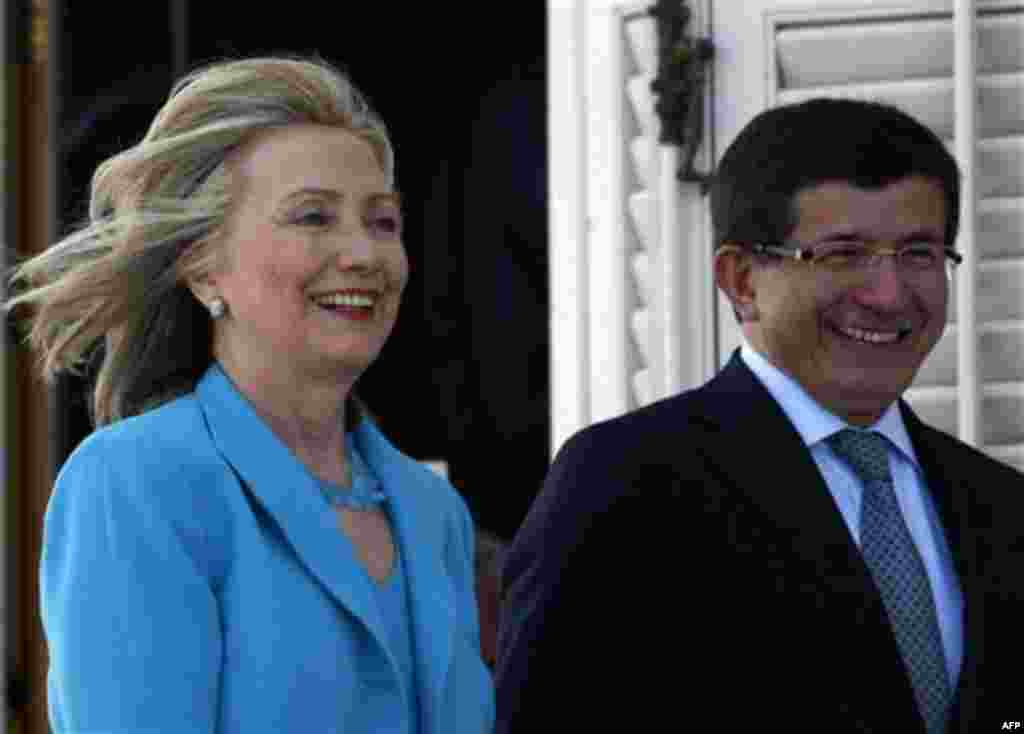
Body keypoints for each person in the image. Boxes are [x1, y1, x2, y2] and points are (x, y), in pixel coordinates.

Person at [496, 98, 1024, 733]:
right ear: (741, 278)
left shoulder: (999, 507)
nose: (888, 295)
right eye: (843, 254)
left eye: (918, 253)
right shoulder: (624, 486)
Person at [6, 56, 494, 734]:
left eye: (382, 221)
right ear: (204, 267)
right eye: (314, 217)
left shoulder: (434, 513)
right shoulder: (137, 484)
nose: (363, 254)